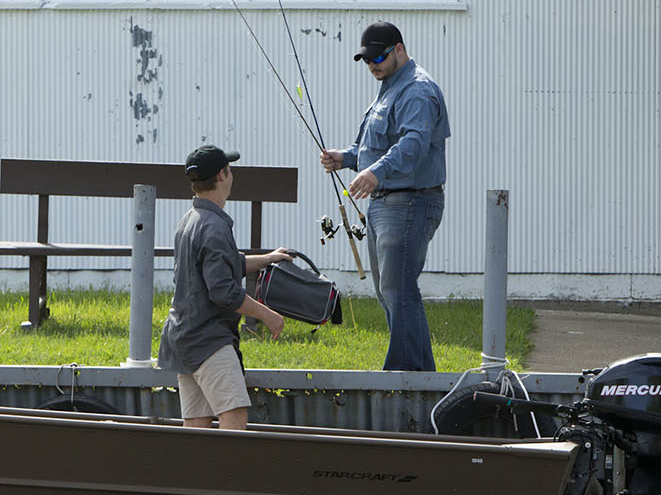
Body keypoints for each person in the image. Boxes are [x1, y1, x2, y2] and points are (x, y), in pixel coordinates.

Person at [320, 21, 450, 371]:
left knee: (398, 288)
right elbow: (375, 145)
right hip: (385, 203)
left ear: (399, 50)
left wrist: (376, 172)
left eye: (378, 56)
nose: (372, 64)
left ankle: (401, 376)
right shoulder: (391, 87)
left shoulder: (418, 90)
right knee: (390, 291)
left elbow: (413, 143)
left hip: (410, 202)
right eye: (366, 59)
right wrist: (346, 158)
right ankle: (421, 376)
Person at [157, 144, 292, 429]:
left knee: (197, 423)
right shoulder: (215, 227)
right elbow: (223, 292)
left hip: (183, 336)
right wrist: (267, 314)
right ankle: (230, 473)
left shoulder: (189, 220)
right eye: (230, 170)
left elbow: (220, 265)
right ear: (222, 175)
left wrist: (267, 258)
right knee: (234, 415)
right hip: (209, 340)